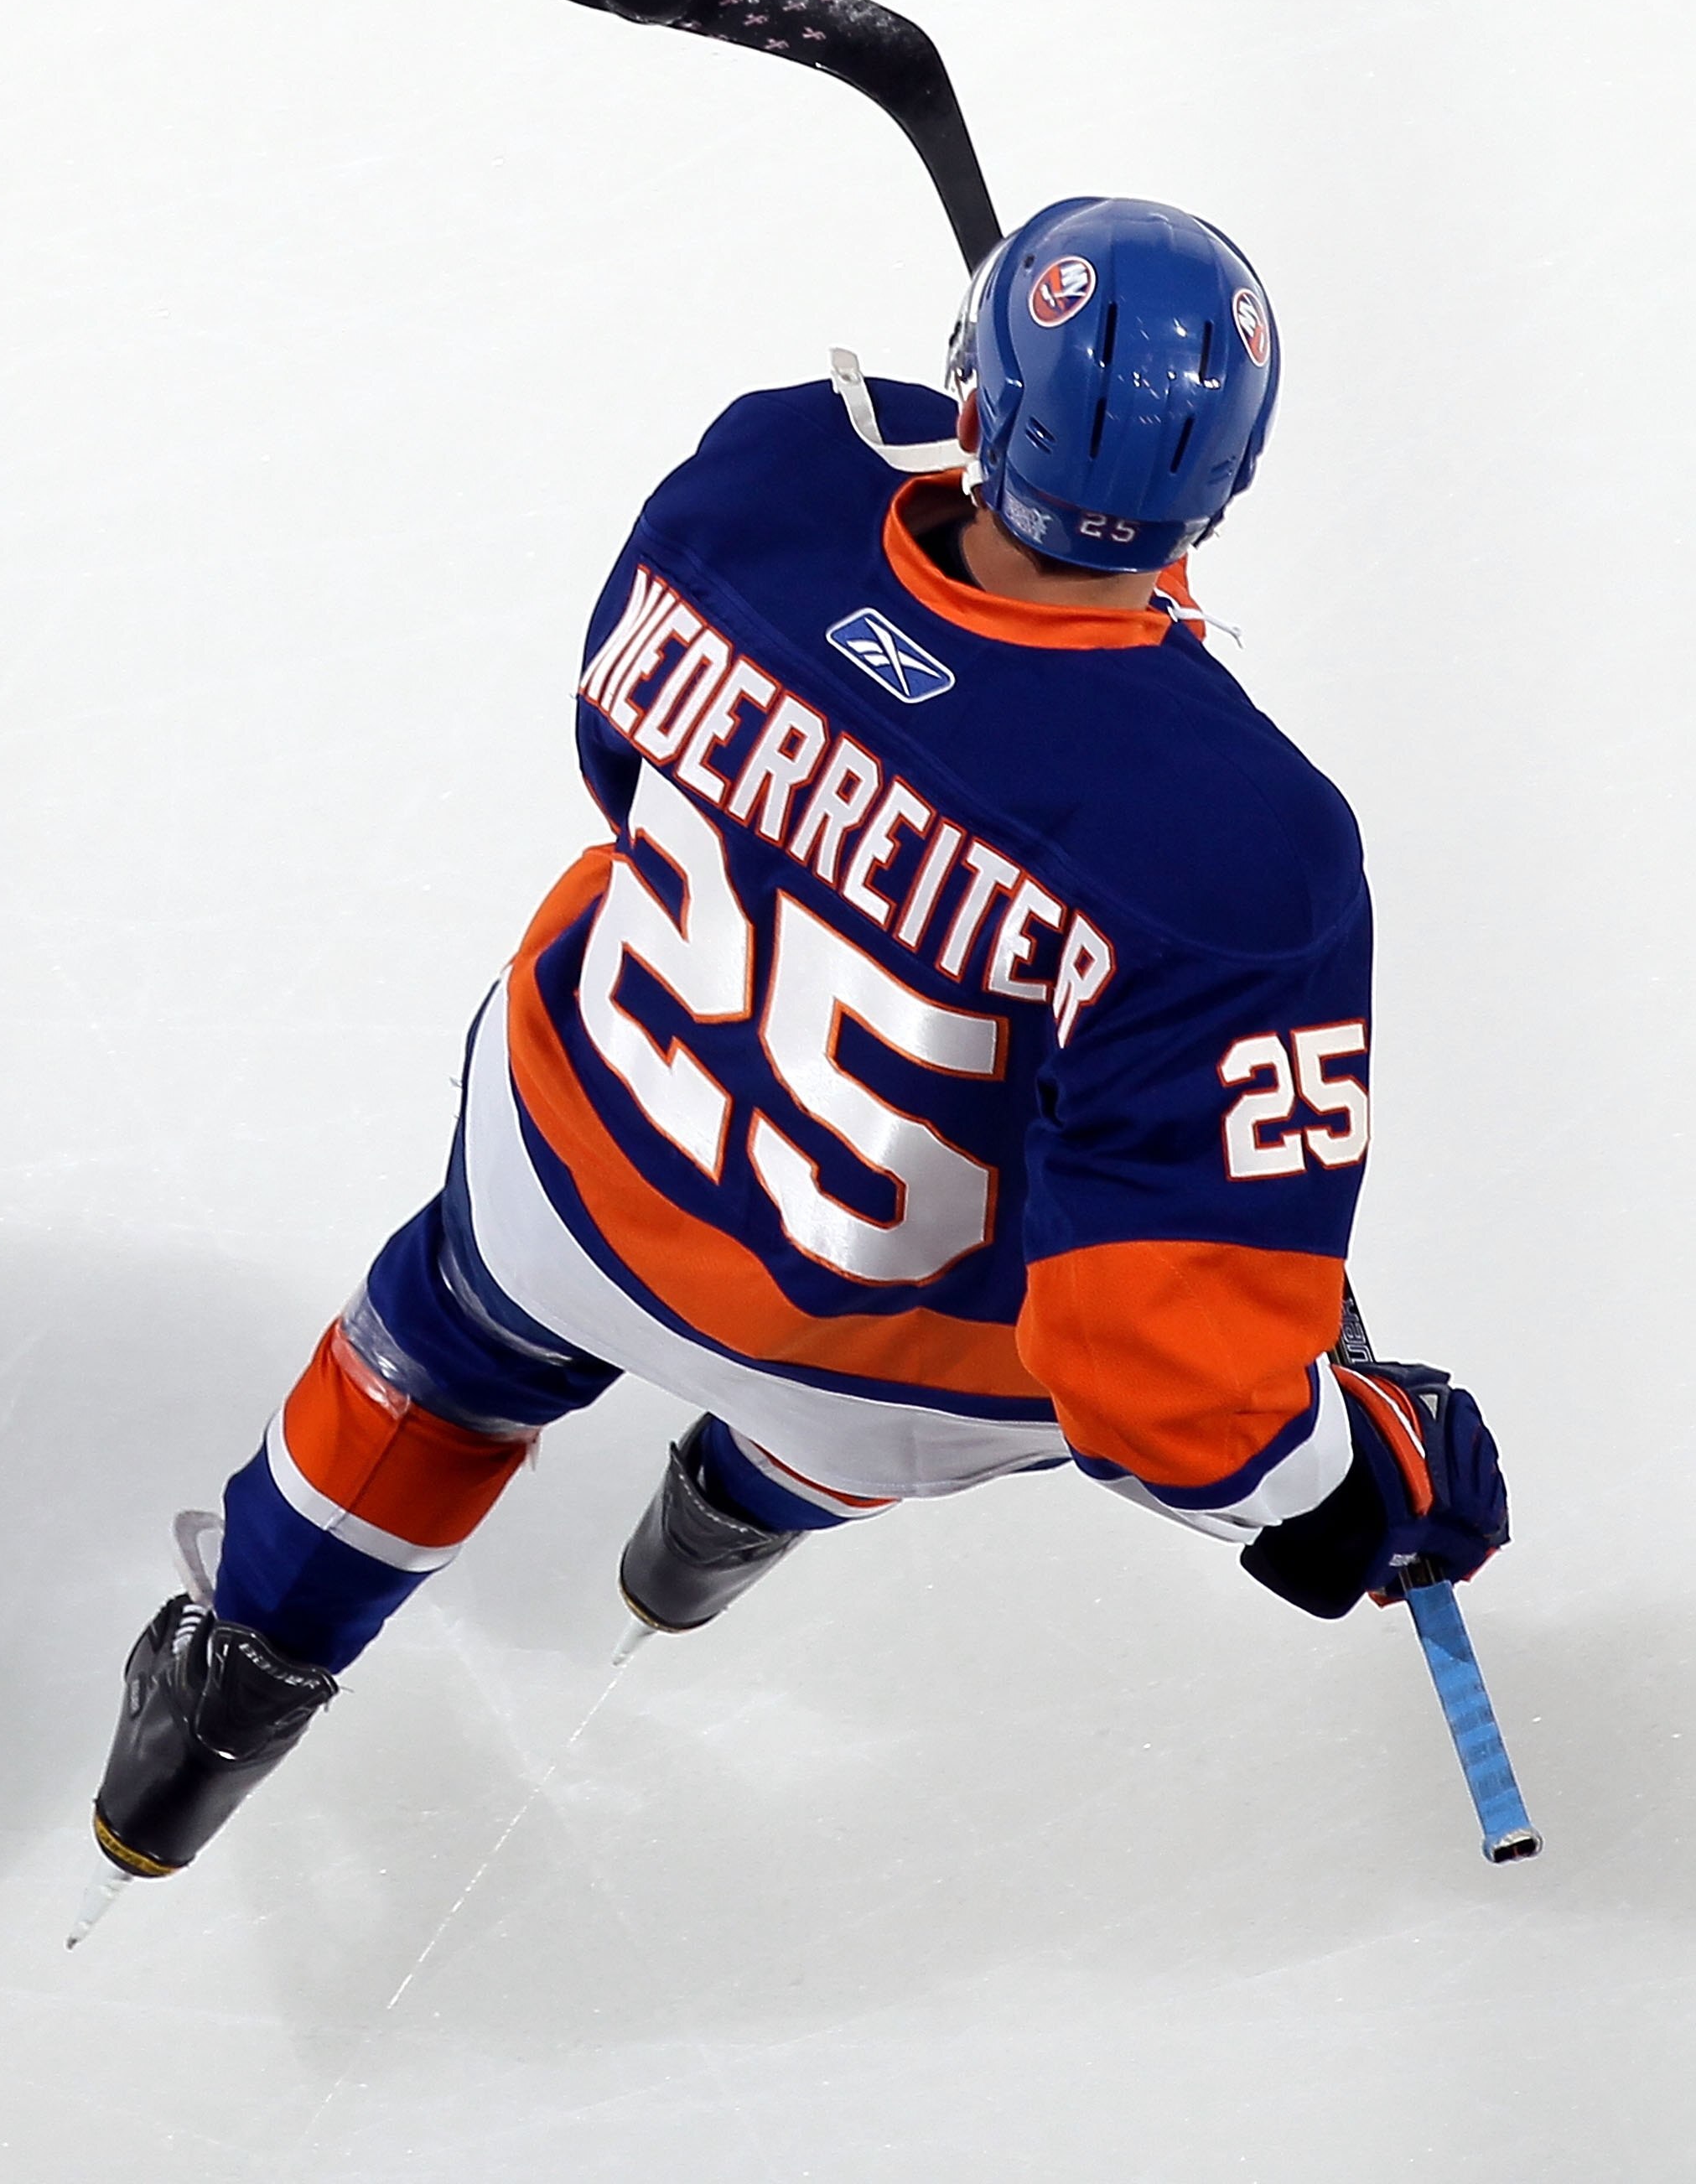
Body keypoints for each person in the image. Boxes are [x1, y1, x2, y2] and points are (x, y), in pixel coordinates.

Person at [85, 195, 1508, 1901]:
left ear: (979, 401)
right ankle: (732, 1516)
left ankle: (216, 1707)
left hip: (583, 1183)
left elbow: (626, 761)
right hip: (879, 1373)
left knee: (446, 1334)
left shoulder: (763, 486)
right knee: (899, 1369)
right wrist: (1363, 1479)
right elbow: (1170, 1390)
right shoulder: (1243, 843)